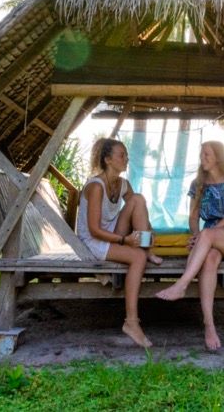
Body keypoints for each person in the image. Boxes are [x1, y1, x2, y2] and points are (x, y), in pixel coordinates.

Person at [155, 140, 224, 351]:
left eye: (207, 154)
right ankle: (209, 324)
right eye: (201, 154)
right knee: (209, 260)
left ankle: (181, 285)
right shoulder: (197, 184)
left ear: (218, 157)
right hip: (209, 239)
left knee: (208, 233)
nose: (202, 158)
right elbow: (193, 217)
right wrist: (197, 235)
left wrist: (204, 236)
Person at [76, 137, 162, 348]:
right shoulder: (96, 186)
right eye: (121, 155)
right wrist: (125, 240)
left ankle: (146, 247)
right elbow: (94, 230)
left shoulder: (123, 184)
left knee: (138, 199)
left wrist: (147, 233)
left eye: (126, 155)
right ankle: (131, 323)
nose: (126, 159)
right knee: (137, 257)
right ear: (107, 159)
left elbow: (139, 210)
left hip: (113, 231)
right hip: (93, 240)